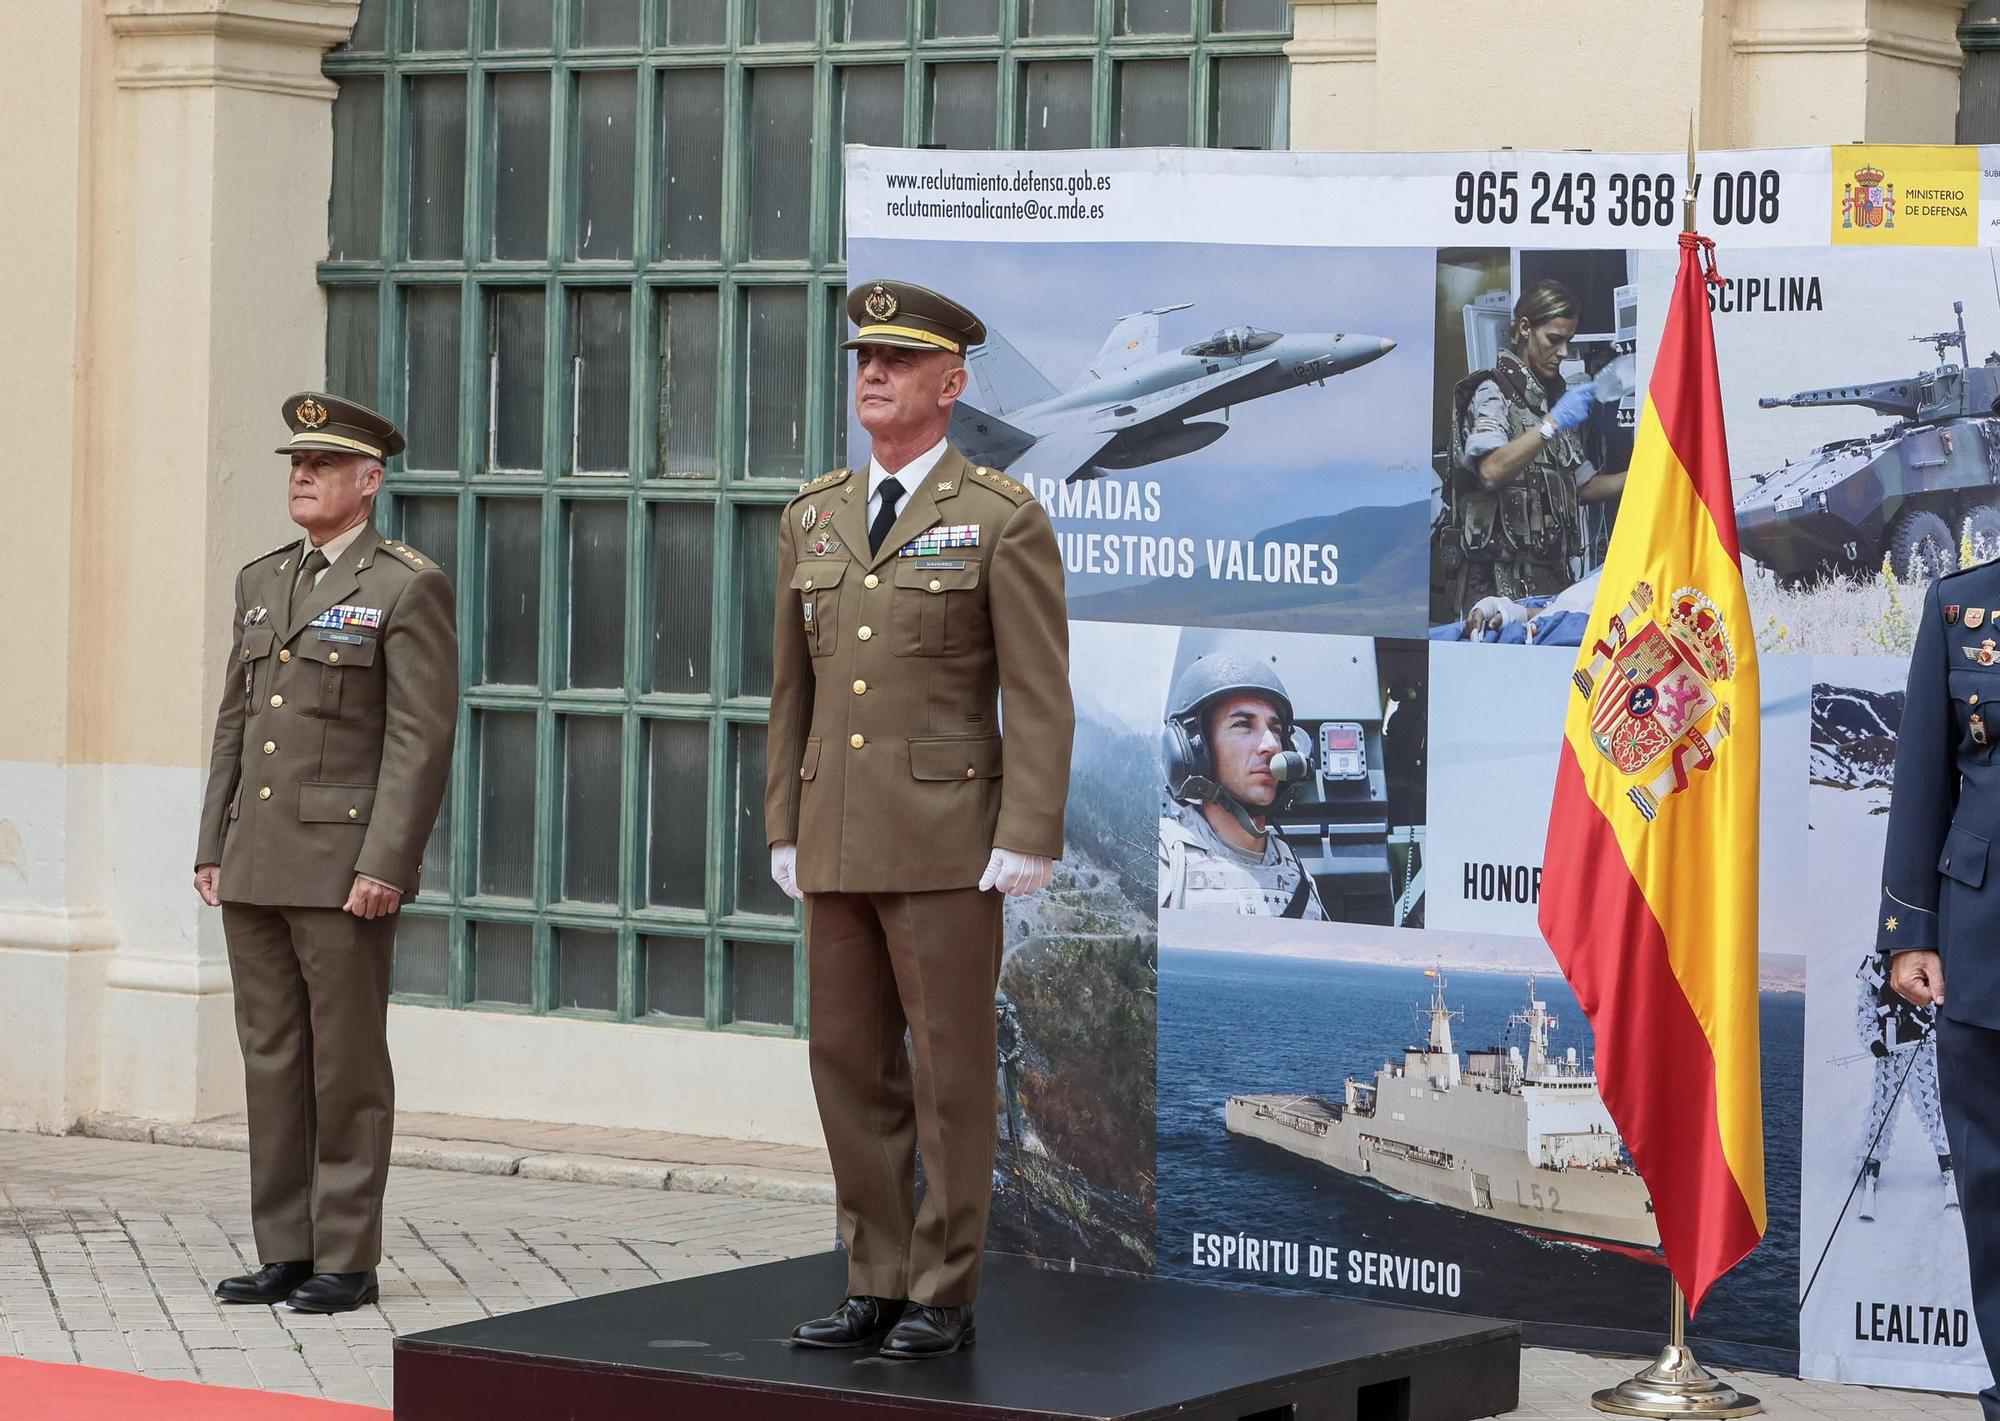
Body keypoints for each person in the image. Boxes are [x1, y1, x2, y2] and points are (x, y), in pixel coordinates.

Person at [763, 280, 1073, 1360]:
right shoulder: (813, 515)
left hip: (947, 840)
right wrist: (783, 822)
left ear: (952, 383)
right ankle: (874, 1277)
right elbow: (791, 690)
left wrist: (1027, 830)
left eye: (897, 360)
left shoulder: (998, 515)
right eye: (865, 358)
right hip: (836, 832)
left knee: (947, 1073)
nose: (874, 374)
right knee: (847, 1064)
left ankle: (944, 1286)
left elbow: (1037, 691)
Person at [193, 393, 457, 1315]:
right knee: (270, 1060)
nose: (302, 476)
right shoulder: (263, 578)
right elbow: (236, 719)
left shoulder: (405, 585)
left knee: (345, 1065)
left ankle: (346, 1254)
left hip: (344, 869)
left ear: (369, 481)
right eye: (297, 464)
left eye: (323, 465)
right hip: (256, 859)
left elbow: (420, 738)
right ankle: (285, 1247)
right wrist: (212, 841)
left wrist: (386, 861)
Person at [1876, 559, 2000, 1420]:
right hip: (1983, 941)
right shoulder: (1962, 605)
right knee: (1991, 1183)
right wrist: (1911, 930)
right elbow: (1923, 772)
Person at [1437, 279, 1625, 620]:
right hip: (1495, 588)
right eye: (1554, 339)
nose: (1563, 352)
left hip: (1548, 585)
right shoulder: (1492, 392)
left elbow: (1584, 486)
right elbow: (1491, 471)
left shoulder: (1549, 402)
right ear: (1525, 328)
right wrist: (1552, 424)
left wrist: (1647, 474)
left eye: (1568, 341)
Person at [1158, 654, 1327, 919]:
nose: (1271, 745)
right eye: (1243, 725)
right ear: (1194, 750)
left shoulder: (1300, 877)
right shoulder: (1165, 860)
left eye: (1275, 730)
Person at [1851, 952, 1954, 1222]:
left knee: (1932, 1107)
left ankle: (1948, 1163)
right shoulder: (1875, 969)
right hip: (1891, 1053)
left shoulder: (1925, 962)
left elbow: (1941, 1002)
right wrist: (1873, 1040)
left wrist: (1935, 1027)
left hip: (1922, 1050)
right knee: (1881, 1110)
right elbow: (1865, 1012)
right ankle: (1872, 1164)